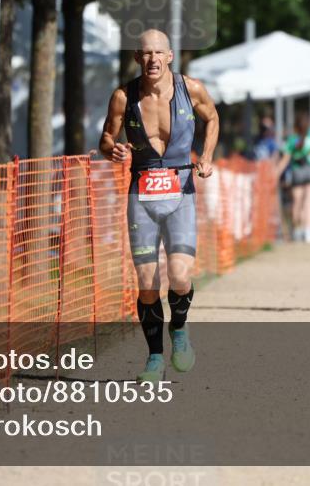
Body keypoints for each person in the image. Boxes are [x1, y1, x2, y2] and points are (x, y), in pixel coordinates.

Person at [99, 29, 220, 382]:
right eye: (145, 53)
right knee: (148, 283)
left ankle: (179, 331)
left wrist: (207, 156)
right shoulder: (124, 96)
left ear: (169, 56)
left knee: (180, 277)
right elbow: (106, 137)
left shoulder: (191, 88)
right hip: (142, 194)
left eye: (158, 53)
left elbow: (212, 117)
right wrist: (113, 150)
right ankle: (154, 359)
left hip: (181, 191)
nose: (152, 60)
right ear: (138, 58)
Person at [276, 112, 310, 242]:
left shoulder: (292, 139)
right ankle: (308, 232)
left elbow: (285, 159)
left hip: (297, 172)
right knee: (309, 202)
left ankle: (296, 230)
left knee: (297, 202)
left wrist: (276, 173)